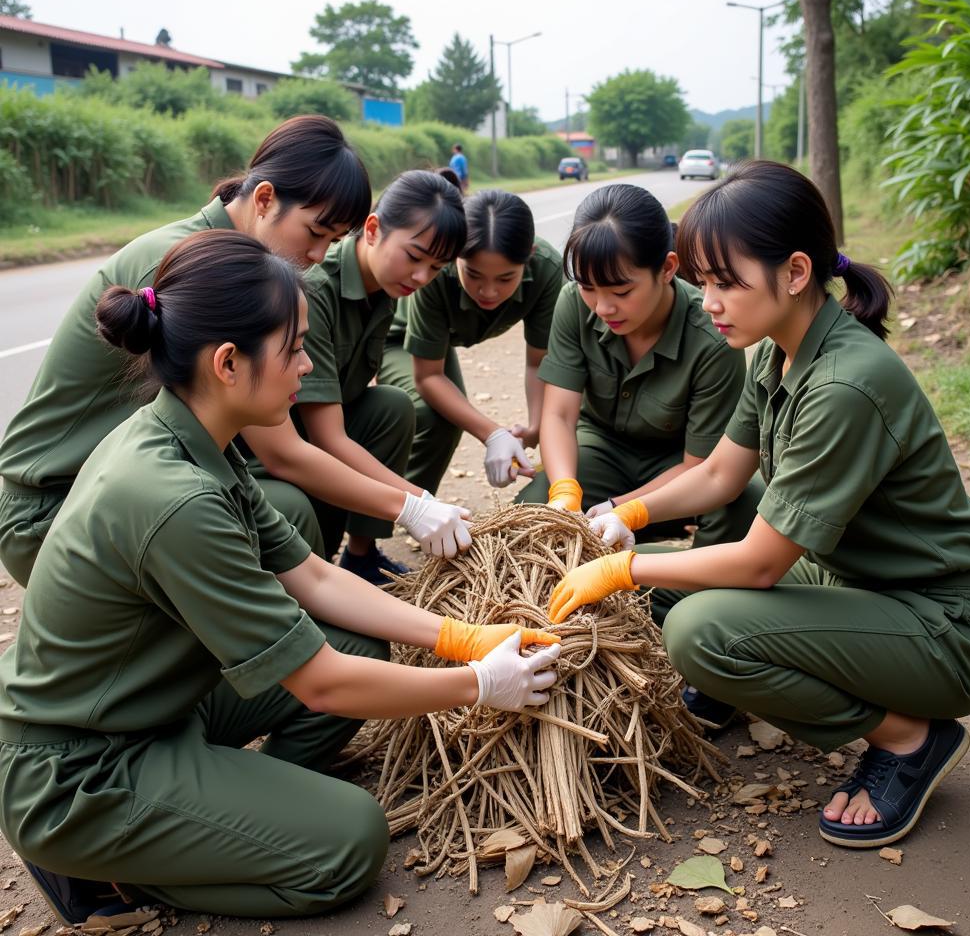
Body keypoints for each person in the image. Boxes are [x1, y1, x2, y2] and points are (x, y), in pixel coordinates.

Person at [0, 232, 561, 925]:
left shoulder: (193, 437)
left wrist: (465, 637)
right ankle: (103, 871)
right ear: (229, 362)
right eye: (294, 347)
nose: (307, 363)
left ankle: (225, 818)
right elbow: (318, 684)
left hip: (147, 711)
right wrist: (479, 687)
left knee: (359, 646)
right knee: (350, 845)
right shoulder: (173, 497)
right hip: (80, 773)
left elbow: (316, 580)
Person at [548, 161, 970, 849]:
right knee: (671, 593)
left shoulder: (844, 385)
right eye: (702, 282)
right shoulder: (781, 354)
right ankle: (756, 681)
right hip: (856, 588)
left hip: (943, 629)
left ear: (795, 273)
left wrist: (625, 569)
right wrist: (627, 520)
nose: (709, 301)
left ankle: (910, 738)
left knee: (699, 630)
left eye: (726, 282)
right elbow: (720, 479)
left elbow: (762, 564)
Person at [0, 115, 370, 588]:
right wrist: (413, 507)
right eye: (315, 232)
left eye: (333, 242)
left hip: (120, 487)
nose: (319, 255)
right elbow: (282, 454)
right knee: (285, 511)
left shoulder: (231, 260)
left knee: (278, 518)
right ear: (264, 200)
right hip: (52, 510)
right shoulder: (192, 267)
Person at [242, 170, 469, 585]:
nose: (421, 277)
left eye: (436, 268)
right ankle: (317, 571)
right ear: (372, 228)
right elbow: (328, 438)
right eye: (414, 256)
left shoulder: (384, 286)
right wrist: (416, 502)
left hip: (316, 426)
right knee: (305, 521)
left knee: (391, 408)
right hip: (272, 442)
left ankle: (361, 557)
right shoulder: (316, 285)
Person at [516, 183, 762, 553]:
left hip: (678, 464)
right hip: (599, 448)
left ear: (666, 268)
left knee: (743, 505)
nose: (602, 307)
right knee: (532, 510)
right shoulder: (572, 303)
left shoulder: (712, 338)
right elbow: (560, 415)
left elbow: (703, 468)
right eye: (588, 287)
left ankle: (676, 592)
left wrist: (623, 510)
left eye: (621, 292)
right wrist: (564, 491)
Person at [378, 189, 562, 494]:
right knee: (429, 414)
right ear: (455, 257)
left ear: (528, 255)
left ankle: (415, 508)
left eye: (505, 278)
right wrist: (492, 434)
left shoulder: (547, 269)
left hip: (441, 343)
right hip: (397, 337)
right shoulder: (434, 271)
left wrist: (535, 429)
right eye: (473, 274)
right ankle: (396, 513)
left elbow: (539, 361)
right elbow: (428, 375)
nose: (488, 291)